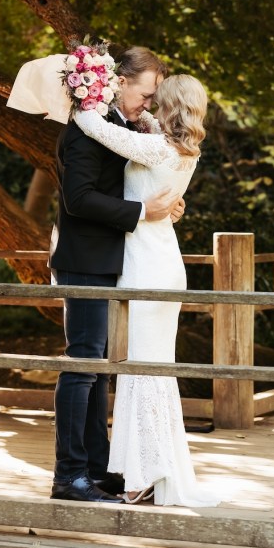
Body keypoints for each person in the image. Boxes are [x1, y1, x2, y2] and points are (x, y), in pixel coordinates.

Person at [73, 74, 218, 507]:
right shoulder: (179, 148)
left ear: (170, 106)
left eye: (158, 100)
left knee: (143, 371)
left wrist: (84, 87)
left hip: (148, 266)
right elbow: (148, 129)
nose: (150, 105)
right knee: (152, 370)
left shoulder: (157, 147)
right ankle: (152, 469)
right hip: (160, 262)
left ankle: (143, 475)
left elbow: (95, 127)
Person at [49, 47, 184, 503]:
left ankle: (95, 467)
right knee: (82, 366)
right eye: (144, 94)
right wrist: (143, 210)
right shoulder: (84, 133)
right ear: (119, 82)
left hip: (110, 261)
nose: (147, 104)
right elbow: (78, 199)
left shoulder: (118, 129)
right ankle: (68, 475)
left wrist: (161, 205)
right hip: (84, 259)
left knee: (98, 369)